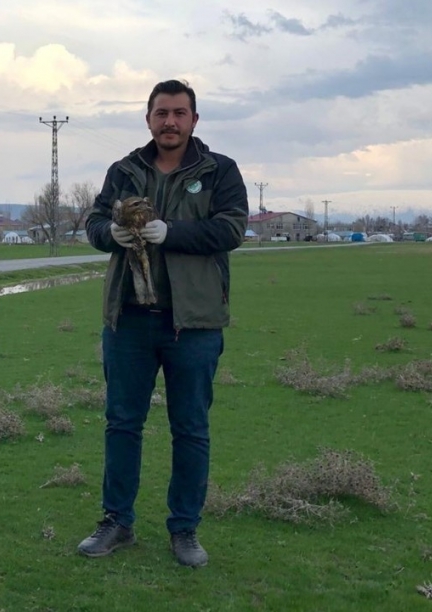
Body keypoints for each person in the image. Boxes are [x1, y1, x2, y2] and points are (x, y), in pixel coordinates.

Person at [80, 79, 248, 567]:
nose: (170, 121)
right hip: (128, 321)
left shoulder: (220, 171)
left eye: (179, 113)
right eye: (161, 113)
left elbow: (232, 228)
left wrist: (173, 232)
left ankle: (185, 530)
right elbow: (92, 222)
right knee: (122, 424)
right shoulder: (124, 170)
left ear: (195, 119)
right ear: (148, 118)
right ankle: (117, 521)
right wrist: (108, 233)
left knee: (191, 428)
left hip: (193, 324)